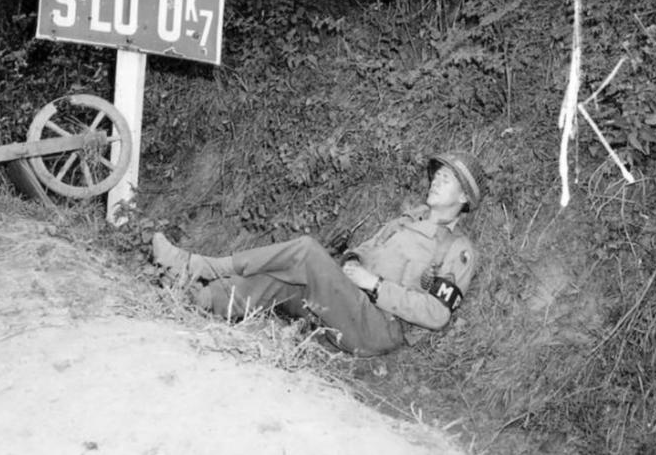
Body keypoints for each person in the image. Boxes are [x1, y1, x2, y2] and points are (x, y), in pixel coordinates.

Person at [151, 151, 485, 357]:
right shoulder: (406, 219)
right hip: (345, 306)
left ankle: (198, 265)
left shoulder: (458, 249)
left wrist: (376, 285)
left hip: (376, 328)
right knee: (284, 279)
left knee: (306, 250)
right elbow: (361, 251)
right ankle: (198, 297)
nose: (436, 181)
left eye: (447, 178)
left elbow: (438, 315)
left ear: (464, 199)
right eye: (436, 175)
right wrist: (353, 262)